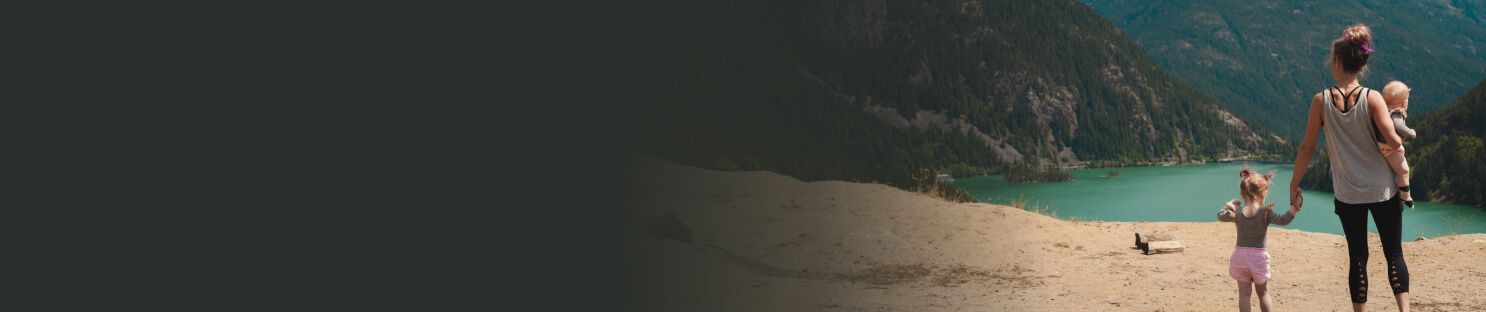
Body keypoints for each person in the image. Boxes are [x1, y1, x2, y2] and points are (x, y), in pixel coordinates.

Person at [1289, 24, 1411, 312]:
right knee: (1394, 252)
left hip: (1348, 194)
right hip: (1382, 189)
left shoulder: (1321, 101)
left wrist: (1294, 183)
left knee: (1357, 256)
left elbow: (1307, 148)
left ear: (1338, 61)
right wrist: (1401, 139)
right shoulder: (1373, 98)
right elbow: (1393, 139)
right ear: (1360, 65)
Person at [1218, 167, 1298, 312]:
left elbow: (1220, 216)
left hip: (1240, 258)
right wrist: (1295, 209)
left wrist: (1229, 205)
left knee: (1244, 295)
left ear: (1242, 193)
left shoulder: (1236, 212)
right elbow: (1284, 220)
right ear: (1263, 193)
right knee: (1263, 294)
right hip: (1259, 259)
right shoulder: (1265, 213)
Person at [1379, 81, 1418, 208]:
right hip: (1388, 148)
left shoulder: (1381, 109)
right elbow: (1398, 126)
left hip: (1378, 144)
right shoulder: (1396, 113)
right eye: (1407, 99)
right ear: (1403, 103)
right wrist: (1410, 133)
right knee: (1404, 171)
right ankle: (1405, 195)